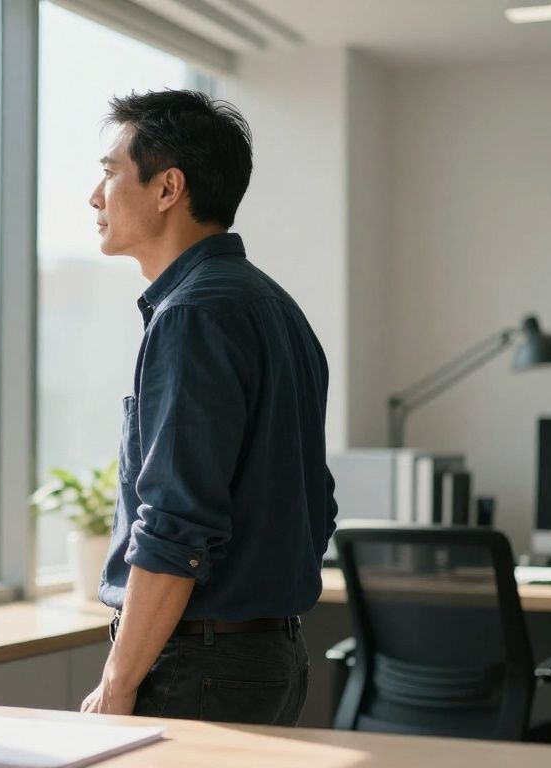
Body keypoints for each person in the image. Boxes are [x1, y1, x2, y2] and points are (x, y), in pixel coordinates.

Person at [79, 89, 337, 726]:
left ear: (168, 188)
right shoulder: (274, 307)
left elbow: (174, 522)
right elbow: (316, 504)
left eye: (110, 173)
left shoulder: (192, 315)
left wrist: (118, 683)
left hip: (202, 664)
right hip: (267, 655)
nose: (94, 196)